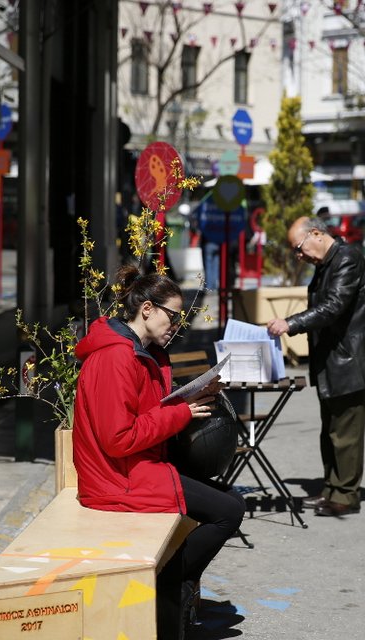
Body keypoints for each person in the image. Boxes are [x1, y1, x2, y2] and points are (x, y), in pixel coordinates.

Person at [71, 265, 245, 639]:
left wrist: (193, 398)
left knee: (228, 497)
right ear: (146, 309)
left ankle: (177, 587)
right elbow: (118, 438)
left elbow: (148, 410)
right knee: (229, 511)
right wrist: (181, 413)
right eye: (173, 315)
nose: (177, 325)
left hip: (139, 465)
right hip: (117, 478)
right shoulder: (116, 358)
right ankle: (167, 585)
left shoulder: (142, 351)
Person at [266, 217, 365, 517]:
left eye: (298, 248)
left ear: (316, 234)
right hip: (335, 358)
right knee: (331, 429)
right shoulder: (328, 263)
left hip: (351, 360)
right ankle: (332, 488)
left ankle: (346, 495)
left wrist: (291, 323)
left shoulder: (347, 260)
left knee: (345, 431)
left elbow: (333, 307)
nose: (299, 256)